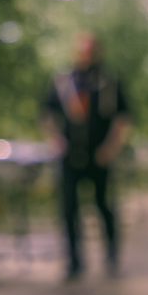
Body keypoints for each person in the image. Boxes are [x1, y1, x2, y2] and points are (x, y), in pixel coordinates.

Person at [41, 31, 131, 280]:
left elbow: (123, 119)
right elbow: (47, 114)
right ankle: (74, 260)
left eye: (89, 50)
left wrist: (110, 149)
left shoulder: (109, 82)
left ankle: (111, 253)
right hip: (70, 156)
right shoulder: (64, 81)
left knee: (103, 205)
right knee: (69, 208)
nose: (85, 55)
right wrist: (56, 141)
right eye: (82, 50)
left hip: (99, 156)